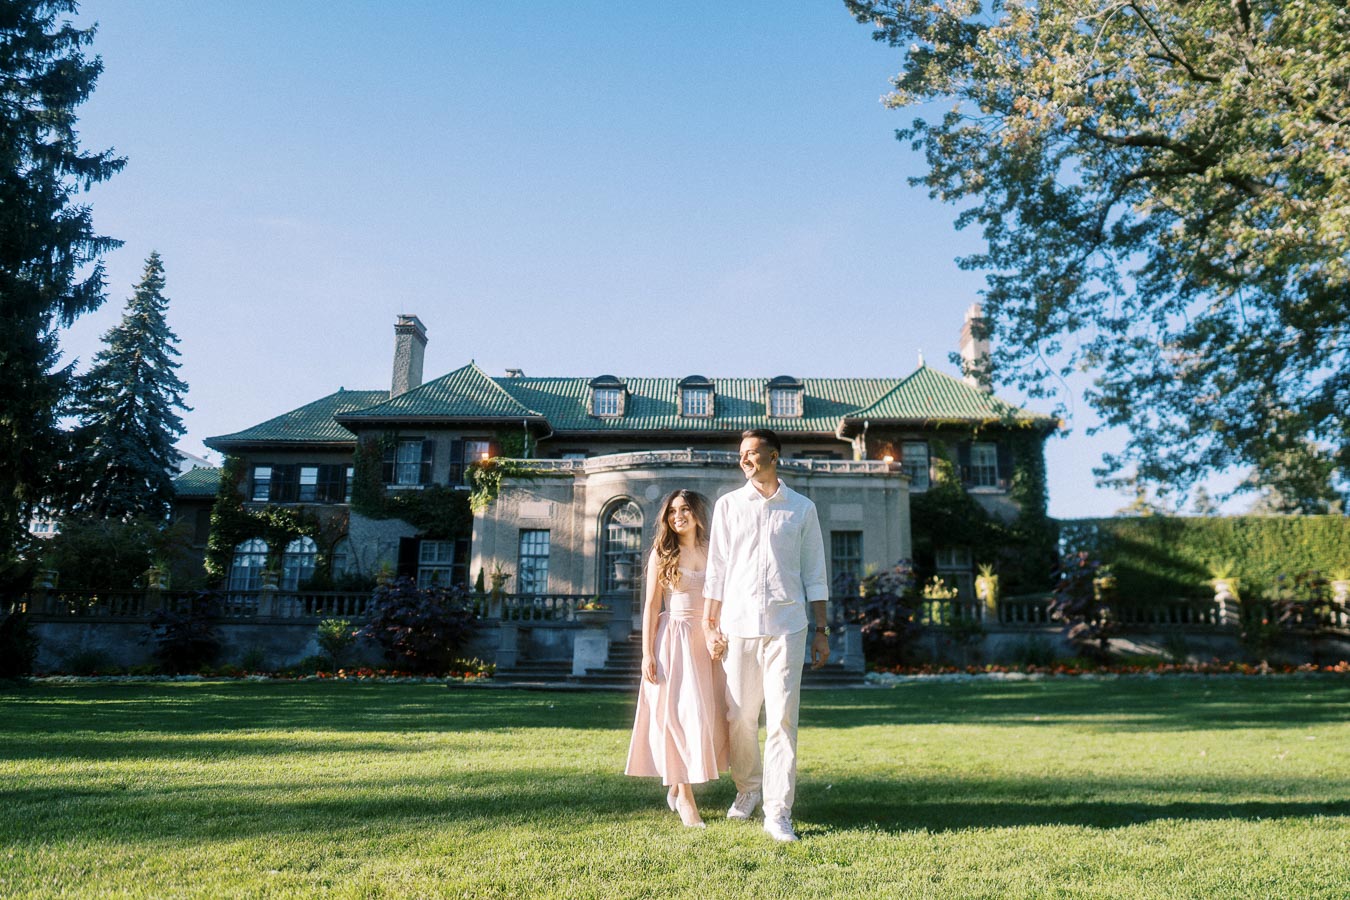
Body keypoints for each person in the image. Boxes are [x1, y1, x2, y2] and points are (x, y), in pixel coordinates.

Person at [703, 428, 830, 843]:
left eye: (753, 453)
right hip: (737, 626)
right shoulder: (728, 506)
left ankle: (778, 812)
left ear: (774, 456)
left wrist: (822, 631)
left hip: (788, 626)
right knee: (739, 716)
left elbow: (815, 573)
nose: (745, 459)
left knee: (781, 720)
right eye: (742, 454)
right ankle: (748, 788)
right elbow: (716, 570)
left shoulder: (802, 509)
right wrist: (710, 624)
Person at [624, 489, 729, 828]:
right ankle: (684, 797)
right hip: (673, 640)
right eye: (671, 511)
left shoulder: (714, 550)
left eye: (684, 509)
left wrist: (721, 635)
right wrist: (646, 653)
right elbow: (652, 606)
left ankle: (676, 780)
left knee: (708, 719)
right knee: (677, 717)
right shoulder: (662, 553)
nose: (677, 516)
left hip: (708, 641)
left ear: (698, 513)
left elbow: (725, 598)